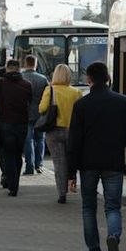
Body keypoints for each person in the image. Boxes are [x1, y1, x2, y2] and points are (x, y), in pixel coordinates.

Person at [68, 61, 126, 251]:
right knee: (113, 207)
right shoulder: (122, 102)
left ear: (88, 79)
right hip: (113, 163)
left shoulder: (81, 105)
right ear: (108, 78)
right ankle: (113, 236)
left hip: (88, 164)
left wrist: (71, 174)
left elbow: (74, 142)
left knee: (88, 208)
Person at [38, 63, 83, 204]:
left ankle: (62, 193)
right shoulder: (76, 92)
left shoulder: (50, 90)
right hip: (72, 131)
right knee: (72, 160)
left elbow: (42, 108)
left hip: (54, 131)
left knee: (59, 163)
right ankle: (72, 183)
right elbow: (81, 113)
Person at [0, 59, 32, 195]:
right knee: (18, 155)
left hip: (5, 123)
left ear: (7, 68)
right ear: (19, 69)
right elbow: (30, 102)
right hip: (22, 123)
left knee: (8, 154)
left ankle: (12, 185)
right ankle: (15, 183)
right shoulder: (27, 84)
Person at [21, 55, 49, 174]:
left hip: (25, 114)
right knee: (40, 139)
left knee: (28, 140)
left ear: (25, 64)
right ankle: (39, 165)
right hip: (40, 113)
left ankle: (30, 166)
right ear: (35, 64)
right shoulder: (43, 79)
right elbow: (48, 96)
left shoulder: (21, 78)